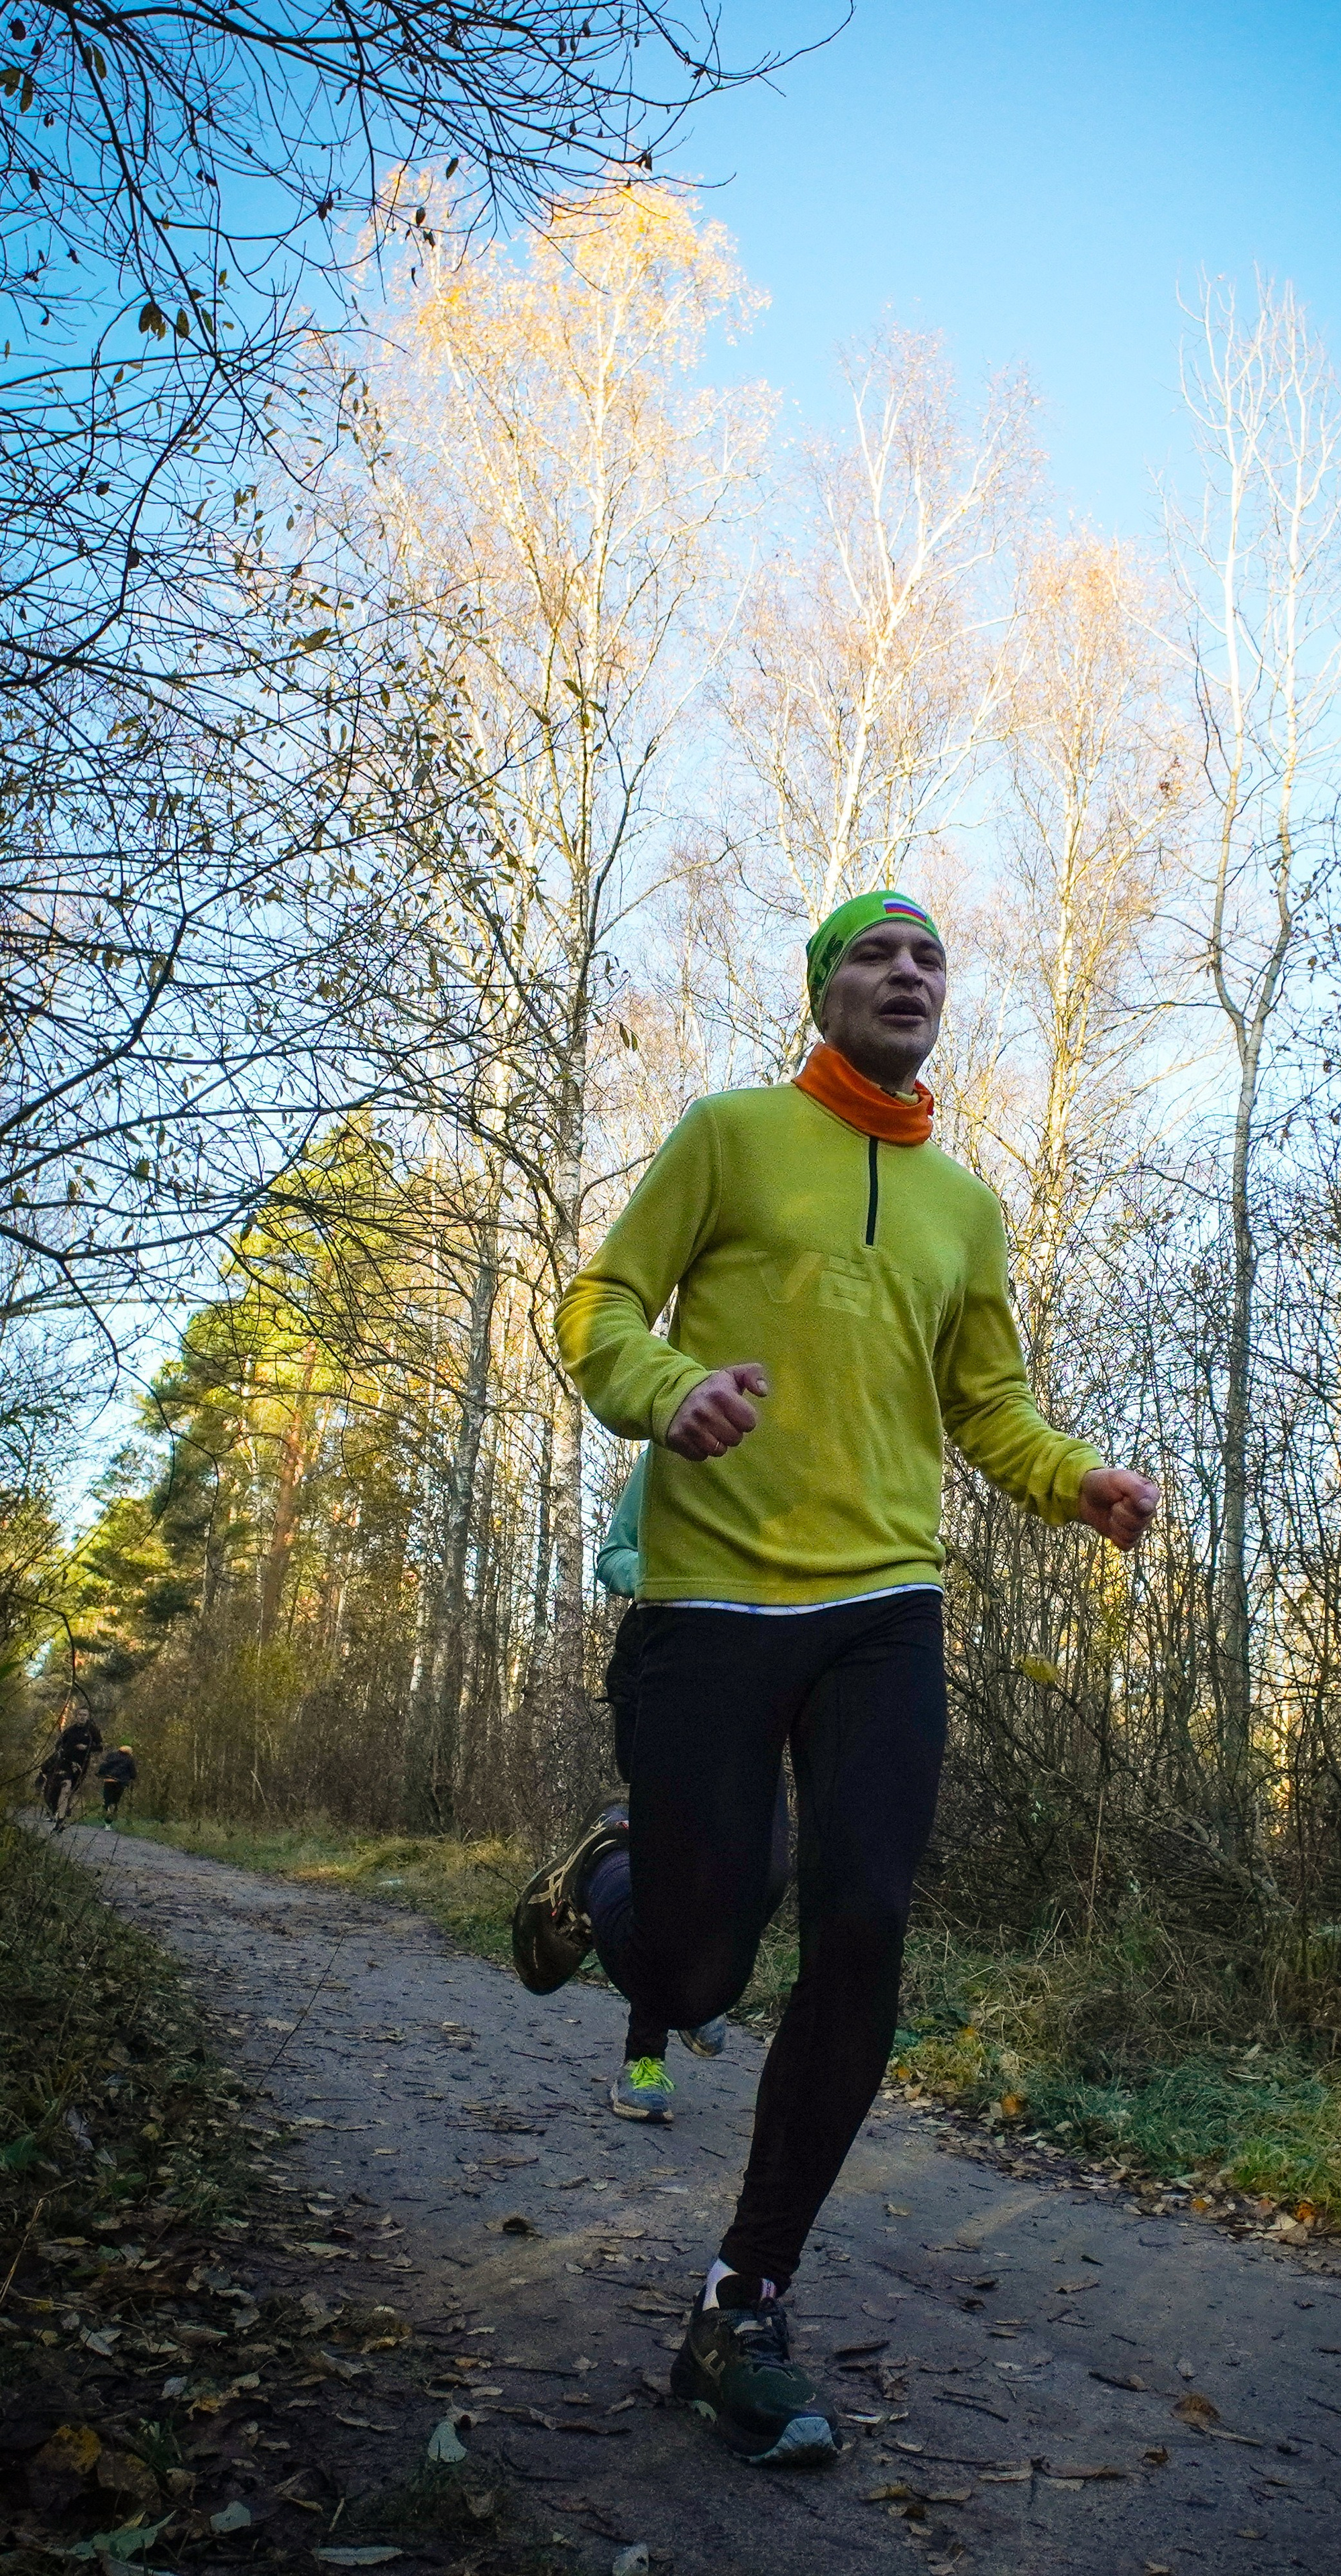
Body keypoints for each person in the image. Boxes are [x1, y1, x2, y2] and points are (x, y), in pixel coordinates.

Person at [513, 888, 1159, 2467]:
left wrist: (1068, 1476)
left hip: (885, 1601)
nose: (906, 971)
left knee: (863, 1918)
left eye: (929, 954)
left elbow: (987, 1405)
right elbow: (592, 1304)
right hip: (712, 1594)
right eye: (874, 951)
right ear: (821, 987)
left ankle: (743, 2297)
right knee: (691, 1975)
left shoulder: (963, 1207)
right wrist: (668, 1389)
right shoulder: (729, 1134)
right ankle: (615, 1880)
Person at [582, 1456, 792, 2123]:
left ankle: (702, 1986)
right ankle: (644, 2061)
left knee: (768, 1868)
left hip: (747, 1668)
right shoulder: (672, 1449)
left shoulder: (796, 1458)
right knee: (668, 1880)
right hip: (659, 1662)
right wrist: (666, 1578)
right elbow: (613, 1554)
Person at [39, 1707, 104, 1830]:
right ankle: (60, 1820)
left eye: (85, 1715)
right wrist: (61, 1751)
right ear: (76, 1716)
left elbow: (100, 1747)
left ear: (88, 1717)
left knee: (68, 1791)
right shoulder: (71, 1730)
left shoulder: (91, 1731)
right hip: (64, 1764)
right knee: (64, 1788)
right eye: (80, 1715)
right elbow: (59, 1744)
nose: (82, 1717)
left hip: (80, 1767)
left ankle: (61, 1815)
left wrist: (86, 1748)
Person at [97, 1744, 139, 1828]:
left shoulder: (111, 1756)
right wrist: (130, 1777)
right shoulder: (129, 1760)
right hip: (120, 1782)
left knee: (107, 1799)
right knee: (115, 1800)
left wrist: (102, 1774)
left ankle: (106, 1812)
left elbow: (104, 1766)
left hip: (108, 1781)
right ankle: (109, 1822)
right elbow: (133, 1774)